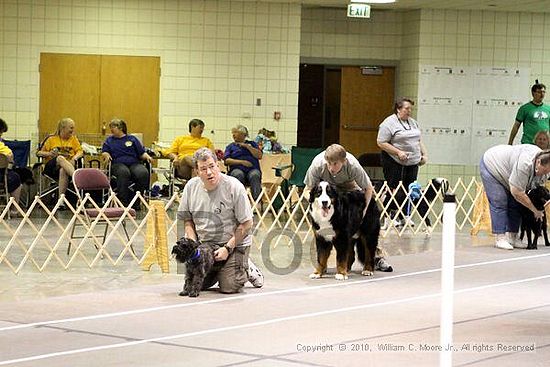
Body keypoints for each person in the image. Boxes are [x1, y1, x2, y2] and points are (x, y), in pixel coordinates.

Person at [178, 148, 264, 293]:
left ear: (218, 165)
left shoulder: (234, 186)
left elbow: (247, 223)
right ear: (197, 171)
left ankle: (245, 267)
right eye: (203, 169)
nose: (209, 172)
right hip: (205, 246)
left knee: (228, 286)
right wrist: (193, 246)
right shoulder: (191, 187)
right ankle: (222, 269)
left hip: (234, 244)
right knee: (197, 283)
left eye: (212, 166)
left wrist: (227, 248)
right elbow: (188, 221)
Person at [304, 144, 392, 272]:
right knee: (325, 234)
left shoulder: (353, 165)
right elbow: (307, 190)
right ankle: (325, 265)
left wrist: (363, 212)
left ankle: (376, 258)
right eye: (329, 163)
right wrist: (317, 202)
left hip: (350, 187)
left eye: (335, 164)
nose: (331, 167)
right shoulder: (317, 164)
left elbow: (368, 189)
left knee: (366, 230)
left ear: (343, 161)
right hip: (327, 192)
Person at [480, 144, 550, 250]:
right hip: (492, 165)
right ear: (538, 162)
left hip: (509, 173)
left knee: (516, 204)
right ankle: (500, 238)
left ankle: (513, 236)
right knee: (500, 200)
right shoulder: (525, 164)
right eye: (544, 171)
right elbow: (517, 192)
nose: (544, 175)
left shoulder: (546, 163)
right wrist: (535, 211)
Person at [377, 97, 428, 227]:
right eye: (406, 108)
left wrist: (424, 154)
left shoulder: (413, 123)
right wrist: (398, 152)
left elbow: (418, 140)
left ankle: (405, 215)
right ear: (398, 109)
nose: (409, 111)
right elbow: (381, 142)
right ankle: (390, 215)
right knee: (395, 189)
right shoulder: (388, 123)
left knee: (410, 189)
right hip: (394, 161)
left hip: (412, 162)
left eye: (411, 108)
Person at [101, 119, 153, 208]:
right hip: (117, 163)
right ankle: (123, 202)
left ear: (120, 128)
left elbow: (141, 152)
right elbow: (104, 151)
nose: (111, 129)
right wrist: (106, 155)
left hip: (134, 163)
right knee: (124, 173)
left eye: (113, 127)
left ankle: (136, 201)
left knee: (142, 173)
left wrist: (147, 156)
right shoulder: (109, 140)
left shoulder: (132, 139)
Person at [37, 117, 83, 201]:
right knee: (60, 158)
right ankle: (78, 178)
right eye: (71, 128)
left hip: (68, 166)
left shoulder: (74, 139)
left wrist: (75, 158)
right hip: (52, 167)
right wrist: (49, 153)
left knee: (63, 170)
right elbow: (39, 153)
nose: (73, 130)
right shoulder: (51, 139)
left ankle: (60, 201)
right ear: (63, 128)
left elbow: (80, 152)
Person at [224, 125, 263, 201]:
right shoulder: (231, 146)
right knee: (238, 174)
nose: (233, 135)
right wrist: (242, 162)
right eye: (233, 133)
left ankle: (256, 201)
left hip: (252, 169)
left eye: (236, 132)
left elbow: (259, 156)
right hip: (237, 169)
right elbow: (226, 160)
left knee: (255, 175)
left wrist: (248, 147)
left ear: (243, 135)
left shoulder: (252, 144)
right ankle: (238, 200)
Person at [0, 118, 22, 214]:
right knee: (16, 178)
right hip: (1, 176)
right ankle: (14, 210)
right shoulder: (2, 146)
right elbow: (9, 157)